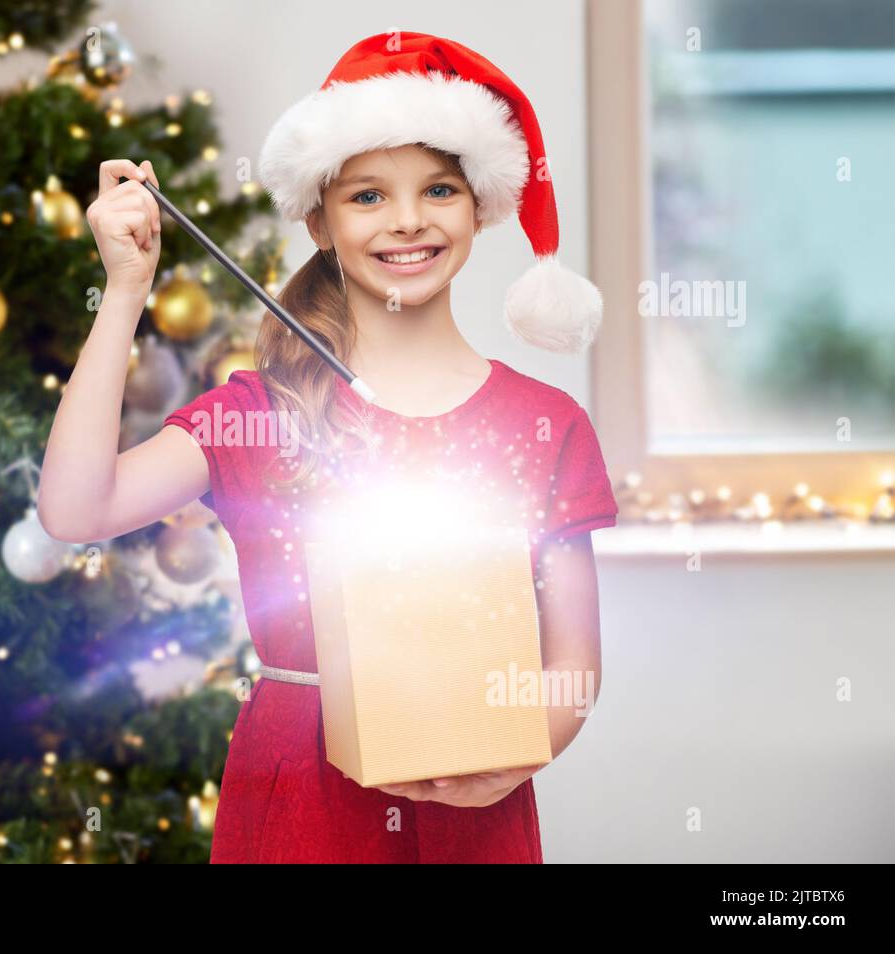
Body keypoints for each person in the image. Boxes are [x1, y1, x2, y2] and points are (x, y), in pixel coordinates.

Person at [39, 31, 619, 863]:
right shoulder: (259, 414)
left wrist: (523, 754)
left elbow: (572, 664)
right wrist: (125, 291)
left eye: (440, 189)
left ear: (481, 206)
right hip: (299, 810)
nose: (410, 221)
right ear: (319, 217)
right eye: (369, 197)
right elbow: (74, 509)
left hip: (480, 805)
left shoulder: (547, 422)